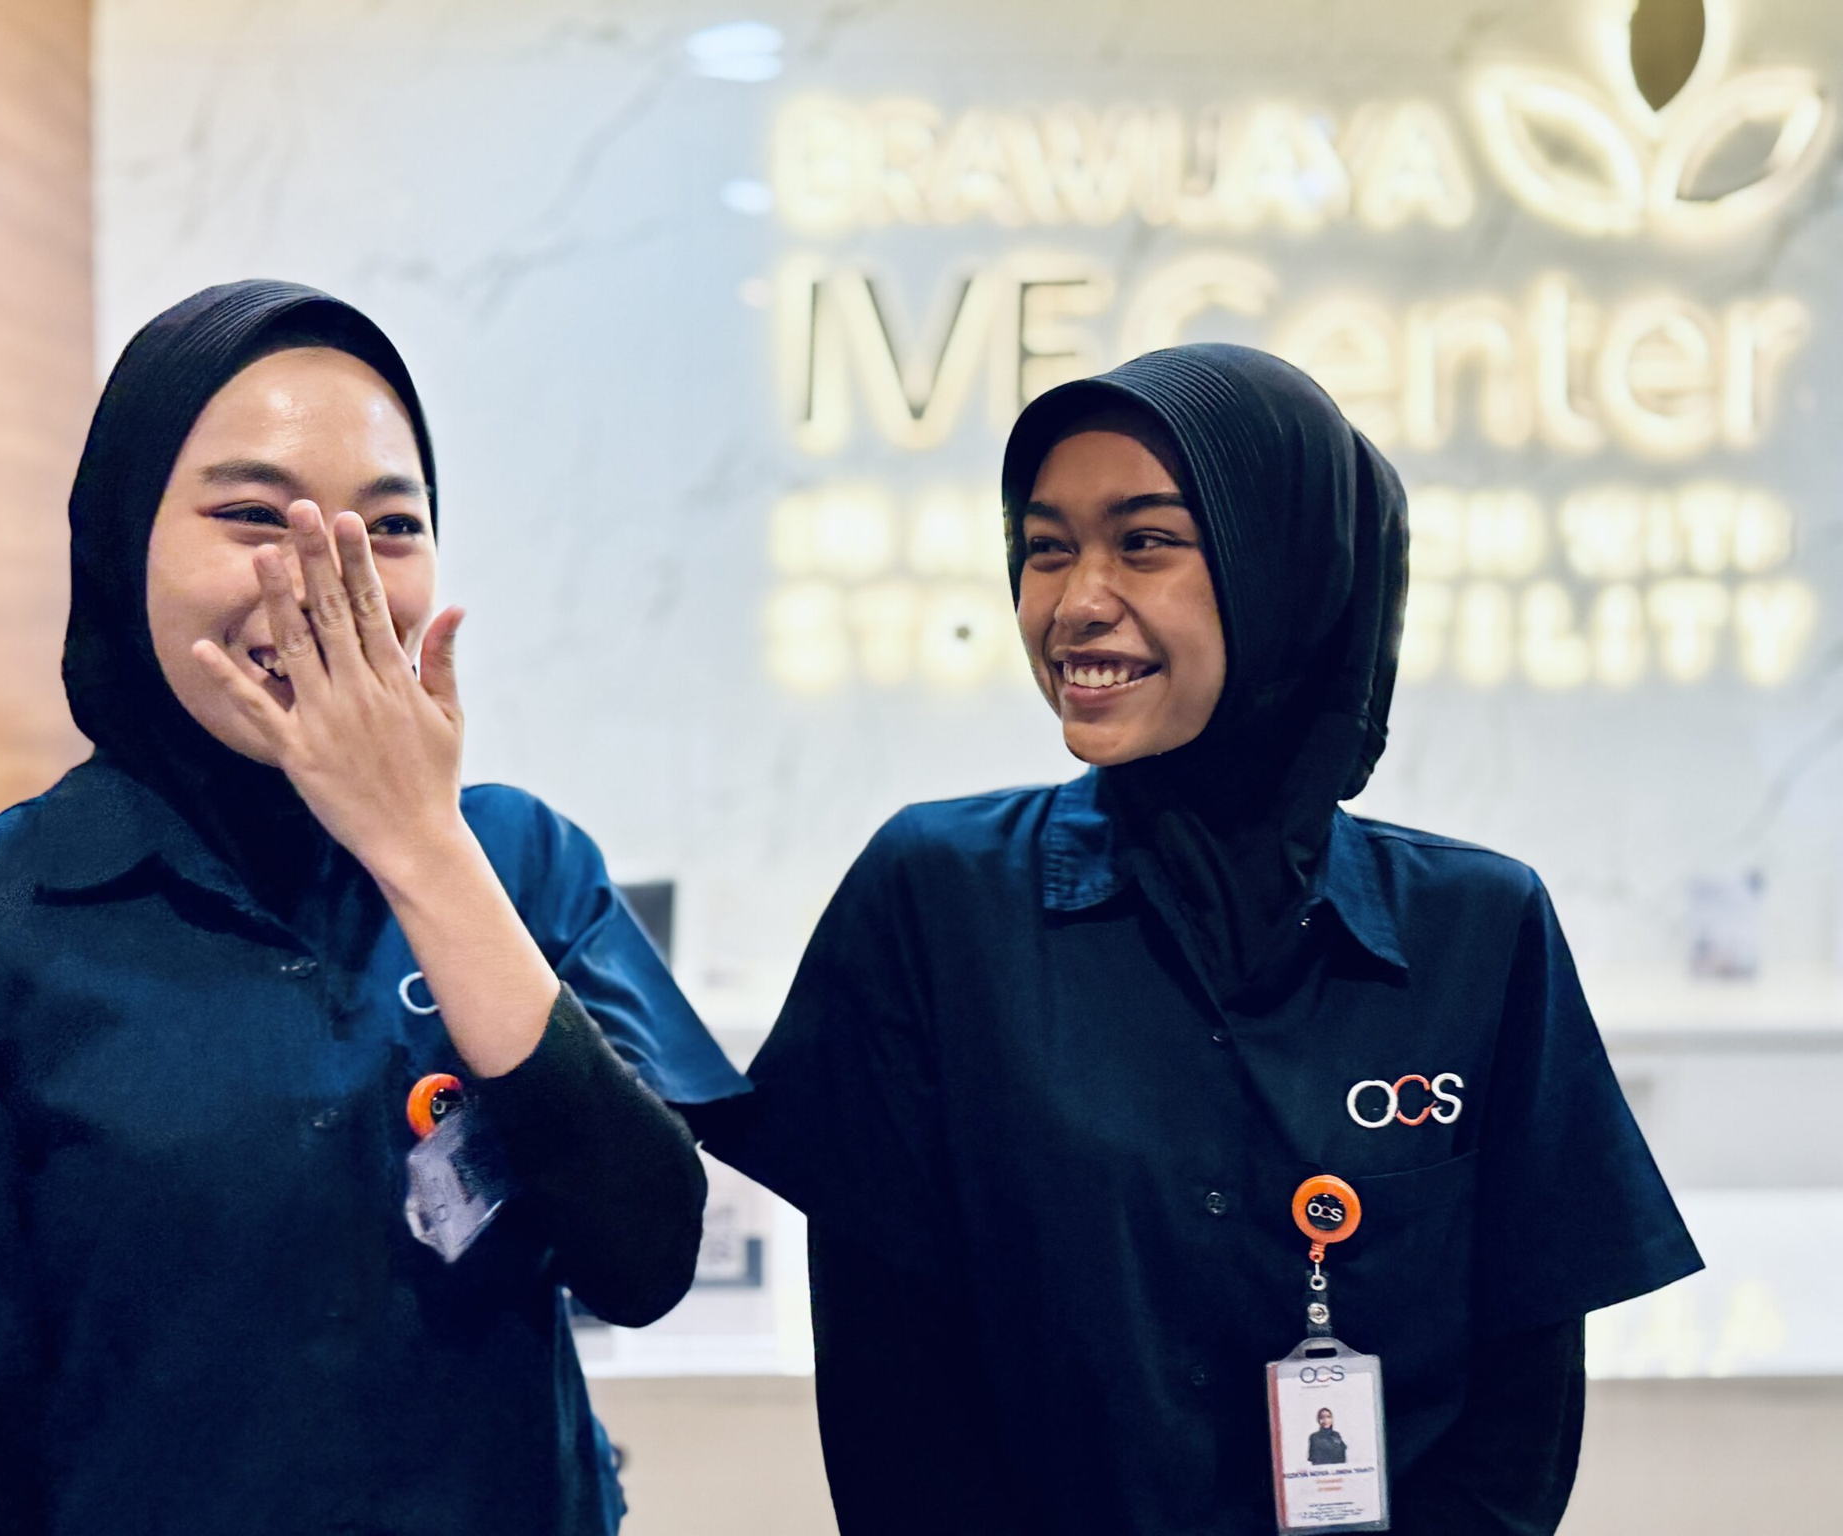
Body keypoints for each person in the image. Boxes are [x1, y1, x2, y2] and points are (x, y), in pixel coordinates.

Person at [0, 280, 747, 1535]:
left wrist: (422, 851)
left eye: (390, 527)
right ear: (122, 539)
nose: (324, 580)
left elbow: (645, 1260)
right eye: (252, 515)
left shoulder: (520, 863)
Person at [705, 344, 1702, 1535]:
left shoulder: (1477, 931)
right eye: (1043, 548)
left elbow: (1518, 1425)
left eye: (1143, 542)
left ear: (1287, 569)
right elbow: (893, 1412)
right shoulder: (935, 900)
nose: (1075, 601)